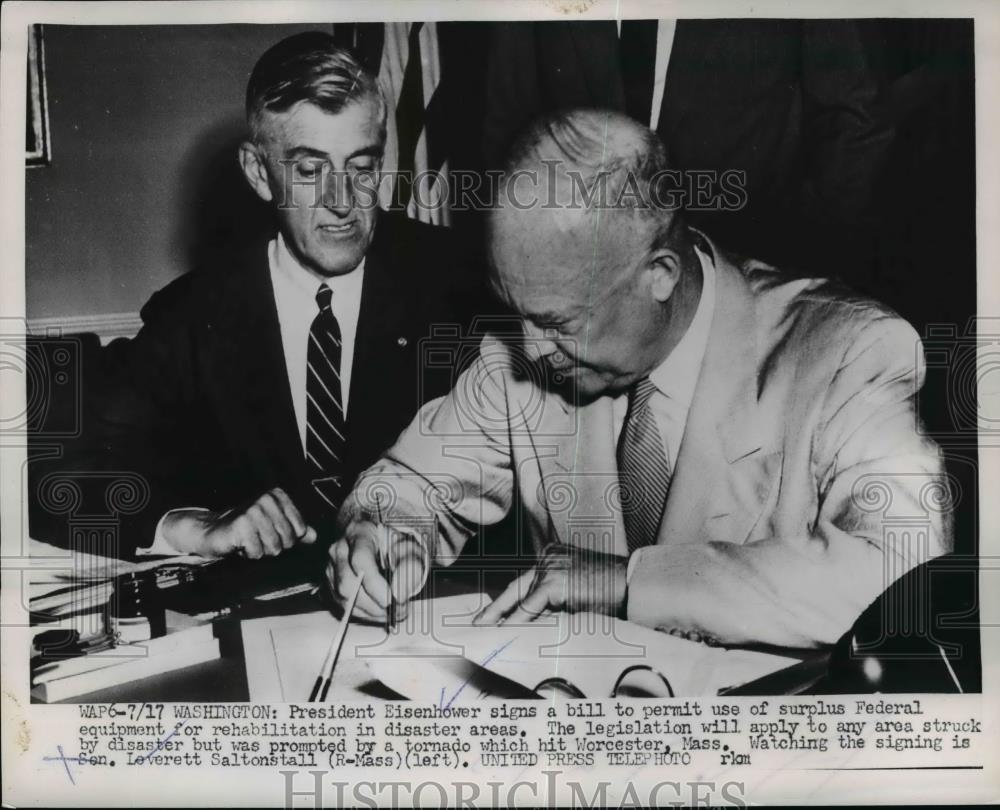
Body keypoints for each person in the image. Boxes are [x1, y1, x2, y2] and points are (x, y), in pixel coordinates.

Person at [327, 109, 950, 649]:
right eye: (516, 311)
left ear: (660, 273)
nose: (530, 349)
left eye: (557, 320)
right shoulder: (520, 349)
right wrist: (383, 536)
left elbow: (906, 574)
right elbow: (408, 483)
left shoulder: (852, 352)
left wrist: (630, 583)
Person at [83, 32, 484, 560]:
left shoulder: (461, 287)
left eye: (362, 167)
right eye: (311, 171)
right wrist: (190, 527)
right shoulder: (193, 316)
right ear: (258, 173)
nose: (343, 201)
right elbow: (68, 473)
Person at [482, 20, 893, 280]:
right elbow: (506, 130)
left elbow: (856, 121)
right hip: (585, 294)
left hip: (749, 282)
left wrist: (795, 277)